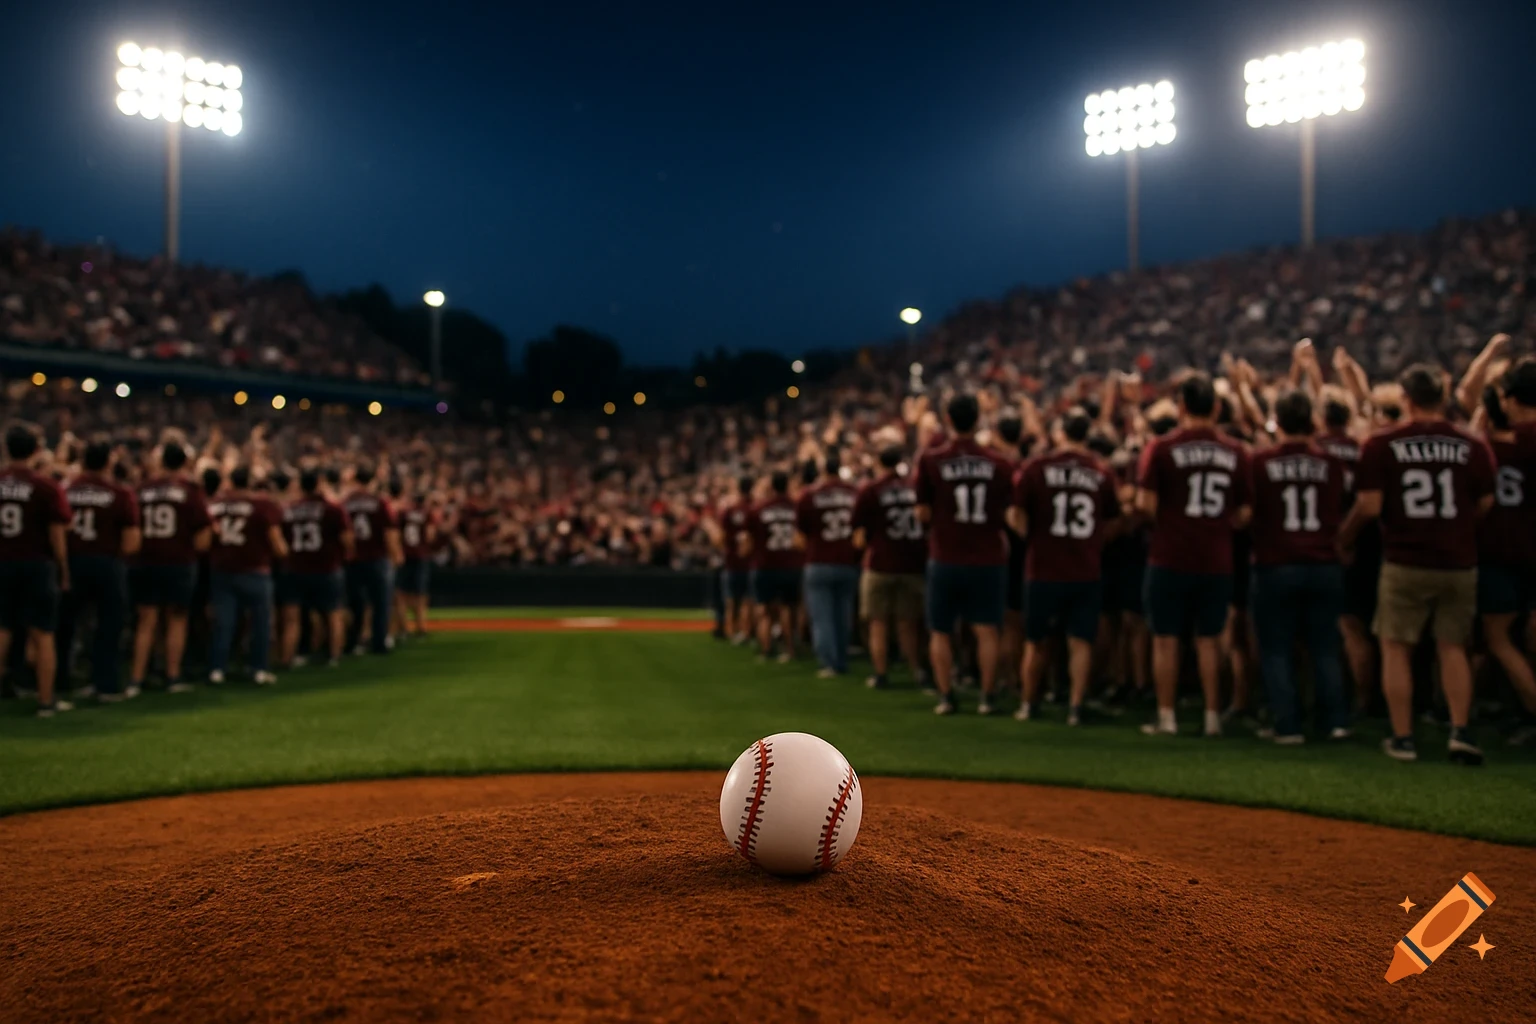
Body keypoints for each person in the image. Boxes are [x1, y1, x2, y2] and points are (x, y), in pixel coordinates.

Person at [1340, 363, 1495, 764]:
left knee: (1396, 647)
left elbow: (1370, 506)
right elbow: (1484, 504)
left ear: (1405, 400)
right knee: (1453, 647)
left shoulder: (1381, 444)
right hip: (1458, 559)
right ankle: (1460, 730)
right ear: (1443, 397)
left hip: (1405, 558)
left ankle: (1403, 736)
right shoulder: (1473, 445)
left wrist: (1345, 536)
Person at [1135, 372, 1252, 737]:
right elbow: (1245, 513)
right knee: (1210, 640)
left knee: (1166, 640)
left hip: (1169, 555)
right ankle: (1212, 717)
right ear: (1217, 408)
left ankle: (1167, 717)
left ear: (1181, 407)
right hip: (1216, 557)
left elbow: (1145, 504)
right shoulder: (1236, 451)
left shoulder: (1162, 447)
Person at [1245, 391, 1351, 744]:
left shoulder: (1259, 462)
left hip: (1276, 562)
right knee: (1324, 647)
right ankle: (1335, 721)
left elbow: (1247, 514)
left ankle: (1287, 724)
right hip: (1323, 562)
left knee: (1276, 648)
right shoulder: (1332, 463)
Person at [1008, 408, 1120, 726]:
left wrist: (1035, 537)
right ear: (1087, 435)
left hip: (1042, 567)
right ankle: (1075, 706)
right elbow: (1114, 522)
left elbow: (1017, 519)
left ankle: (1029, 703)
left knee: (1036, 642)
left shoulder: (1036, 468)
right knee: (1081, 642)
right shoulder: (1101, 471)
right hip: (1085, 567)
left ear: (1060, 433)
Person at [914, 393, 1013, 716]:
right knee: (987, 630)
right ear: (978, 418)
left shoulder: (931, 460)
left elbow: (923, 514)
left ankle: (946, 696)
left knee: (940, 630)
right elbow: (1007, 511)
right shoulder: (999, 462)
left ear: (948, 418)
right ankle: (987, 696)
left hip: (946, 555)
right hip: (987, 556)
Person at [60, 438, 141, 700]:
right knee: (109, 626)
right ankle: (104, 683)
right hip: (107, 564)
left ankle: (60, 680)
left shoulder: (65, 490)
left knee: (65, 625)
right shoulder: (120, 494)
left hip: (71, 562)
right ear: (109, 461)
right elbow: (131, 543)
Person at [0, 423, 73, 716]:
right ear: (37, 450)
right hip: (36, 564)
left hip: (2, 561)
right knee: (43, 633)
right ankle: (45, 700)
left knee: (1, 629)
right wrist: (63, 569)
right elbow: (58, 534)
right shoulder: (45, 486)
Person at [131, 441, 212, 694]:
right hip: (179, 562)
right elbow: (202, 539)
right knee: (177, 620)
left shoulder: (142, 489)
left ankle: (136, 678)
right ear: (185, 463)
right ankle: (172, 676)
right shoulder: (191, 491)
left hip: (146, 561)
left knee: (146, 622)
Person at [851, 445, 927, 691]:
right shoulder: (913, 487)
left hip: (881, 563)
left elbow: (859, 537)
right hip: (912, 562)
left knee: (878, 623)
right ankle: (917, 670)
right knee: (908, 623)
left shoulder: (871, 490)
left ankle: (881, 673)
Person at [206, 466, 289, 684]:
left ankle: (217, 668)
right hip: (255, 570)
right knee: (260, 622)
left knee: (224, 623)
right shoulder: (262, 506)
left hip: (222, 570)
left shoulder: (215, 505)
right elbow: (277, 544)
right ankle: (258, 668)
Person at [795, 452, 861, 677]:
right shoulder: (853, 492)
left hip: (819, 561)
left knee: (822, 617)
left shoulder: (809, 494)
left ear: (823, 470)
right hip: (847, 560)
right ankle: (841, 659)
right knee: (843, 615)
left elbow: (799, 537)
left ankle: (829, 662)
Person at [280, 469, 354, 668]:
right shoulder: (332, 509)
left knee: (291, 620)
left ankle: (286, 659)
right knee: (333, 614)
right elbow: (347, 540)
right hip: (327, 568)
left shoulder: (288, 509)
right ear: (319, 483)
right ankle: (334, 656)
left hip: (295, 568)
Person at [742, 470, 802, 663]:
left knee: (764, 611)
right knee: (787, 609)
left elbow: (747, 544)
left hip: (764, 565)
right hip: (790, 564)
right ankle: (790, 650)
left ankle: (766, 650)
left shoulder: (758, 509)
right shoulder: (796, 507)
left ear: (771, 486)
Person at [343, 464, 402, 655]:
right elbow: (389, 533)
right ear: (372, 480)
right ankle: (379, 642)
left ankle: (353, 641)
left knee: (355, 605)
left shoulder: (345, 502)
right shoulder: (380, 502)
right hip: (377, 559)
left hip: (353, 560)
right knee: (381, 603)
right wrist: (396, 555)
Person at [718, 477, 756, 645]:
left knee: (731, 601)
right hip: (750, 562)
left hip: (732, 561)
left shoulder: (731, 510)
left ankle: (730, 631)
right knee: (748, 600)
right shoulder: (754, 509)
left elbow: (722, 537)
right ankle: (745, 632)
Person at [396, 488, 437, 639]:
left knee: (401, 593)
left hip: (404, 556)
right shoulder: (427, 514)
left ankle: (404, 627)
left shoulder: (403, 514)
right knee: (420, 594)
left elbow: (397, 534)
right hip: (420, 556)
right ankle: (421, 626)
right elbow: (430, 536)